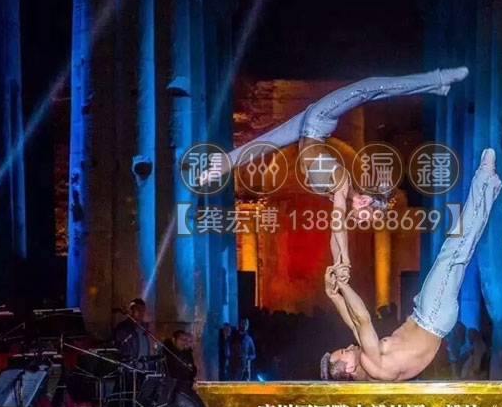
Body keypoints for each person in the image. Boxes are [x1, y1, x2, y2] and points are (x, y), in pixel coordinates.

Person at [201, 68, 469, 269]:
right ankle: (438, 79)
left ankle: (222, 164)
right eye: (367, 217)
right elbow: (338, 227)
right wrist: (346, 260)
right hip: (319, 121)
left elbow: (335, 233)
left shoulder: (338, 194)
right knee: (370, 86)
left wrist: (339, 262)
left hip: (303, 130)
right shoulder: (341, 184)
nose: (362, 221)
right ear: (365, 201)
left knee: (265, 144)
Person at [320, 149, 502, 381]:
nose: (348, 346)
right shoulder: (372, 364)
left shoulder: (373, 370)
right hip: (431, 317)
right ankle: (486, 179)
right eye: (344, 352)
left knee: (458, 250)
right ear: (348, 369)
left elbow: (354, 324)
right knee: (455, 250)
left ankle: (489, 185)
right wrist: (344, 286)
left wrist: (334, 296)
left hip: (428, 316)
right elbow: (362, 318)